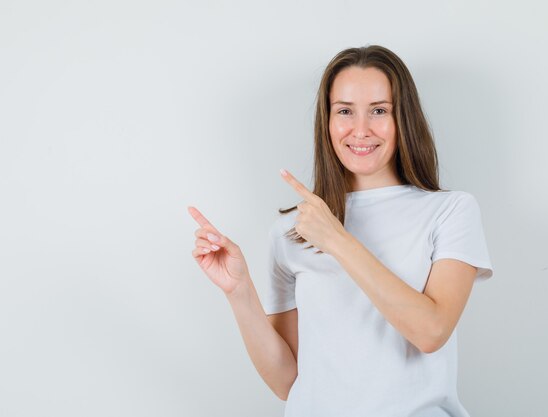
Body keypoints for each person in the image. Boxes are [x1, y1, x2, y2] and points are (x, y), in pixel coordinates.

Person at [188, 44, 493, 417]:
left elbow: (431, 331)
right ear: (327, 121)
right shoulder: (292, 230)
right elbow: (288, 381)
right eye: (345, 111)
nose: (360, 130)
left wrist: (336, 240)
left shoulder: (450, 211)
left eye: (379, 111)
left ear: (404, 120)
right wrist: (239, 292)